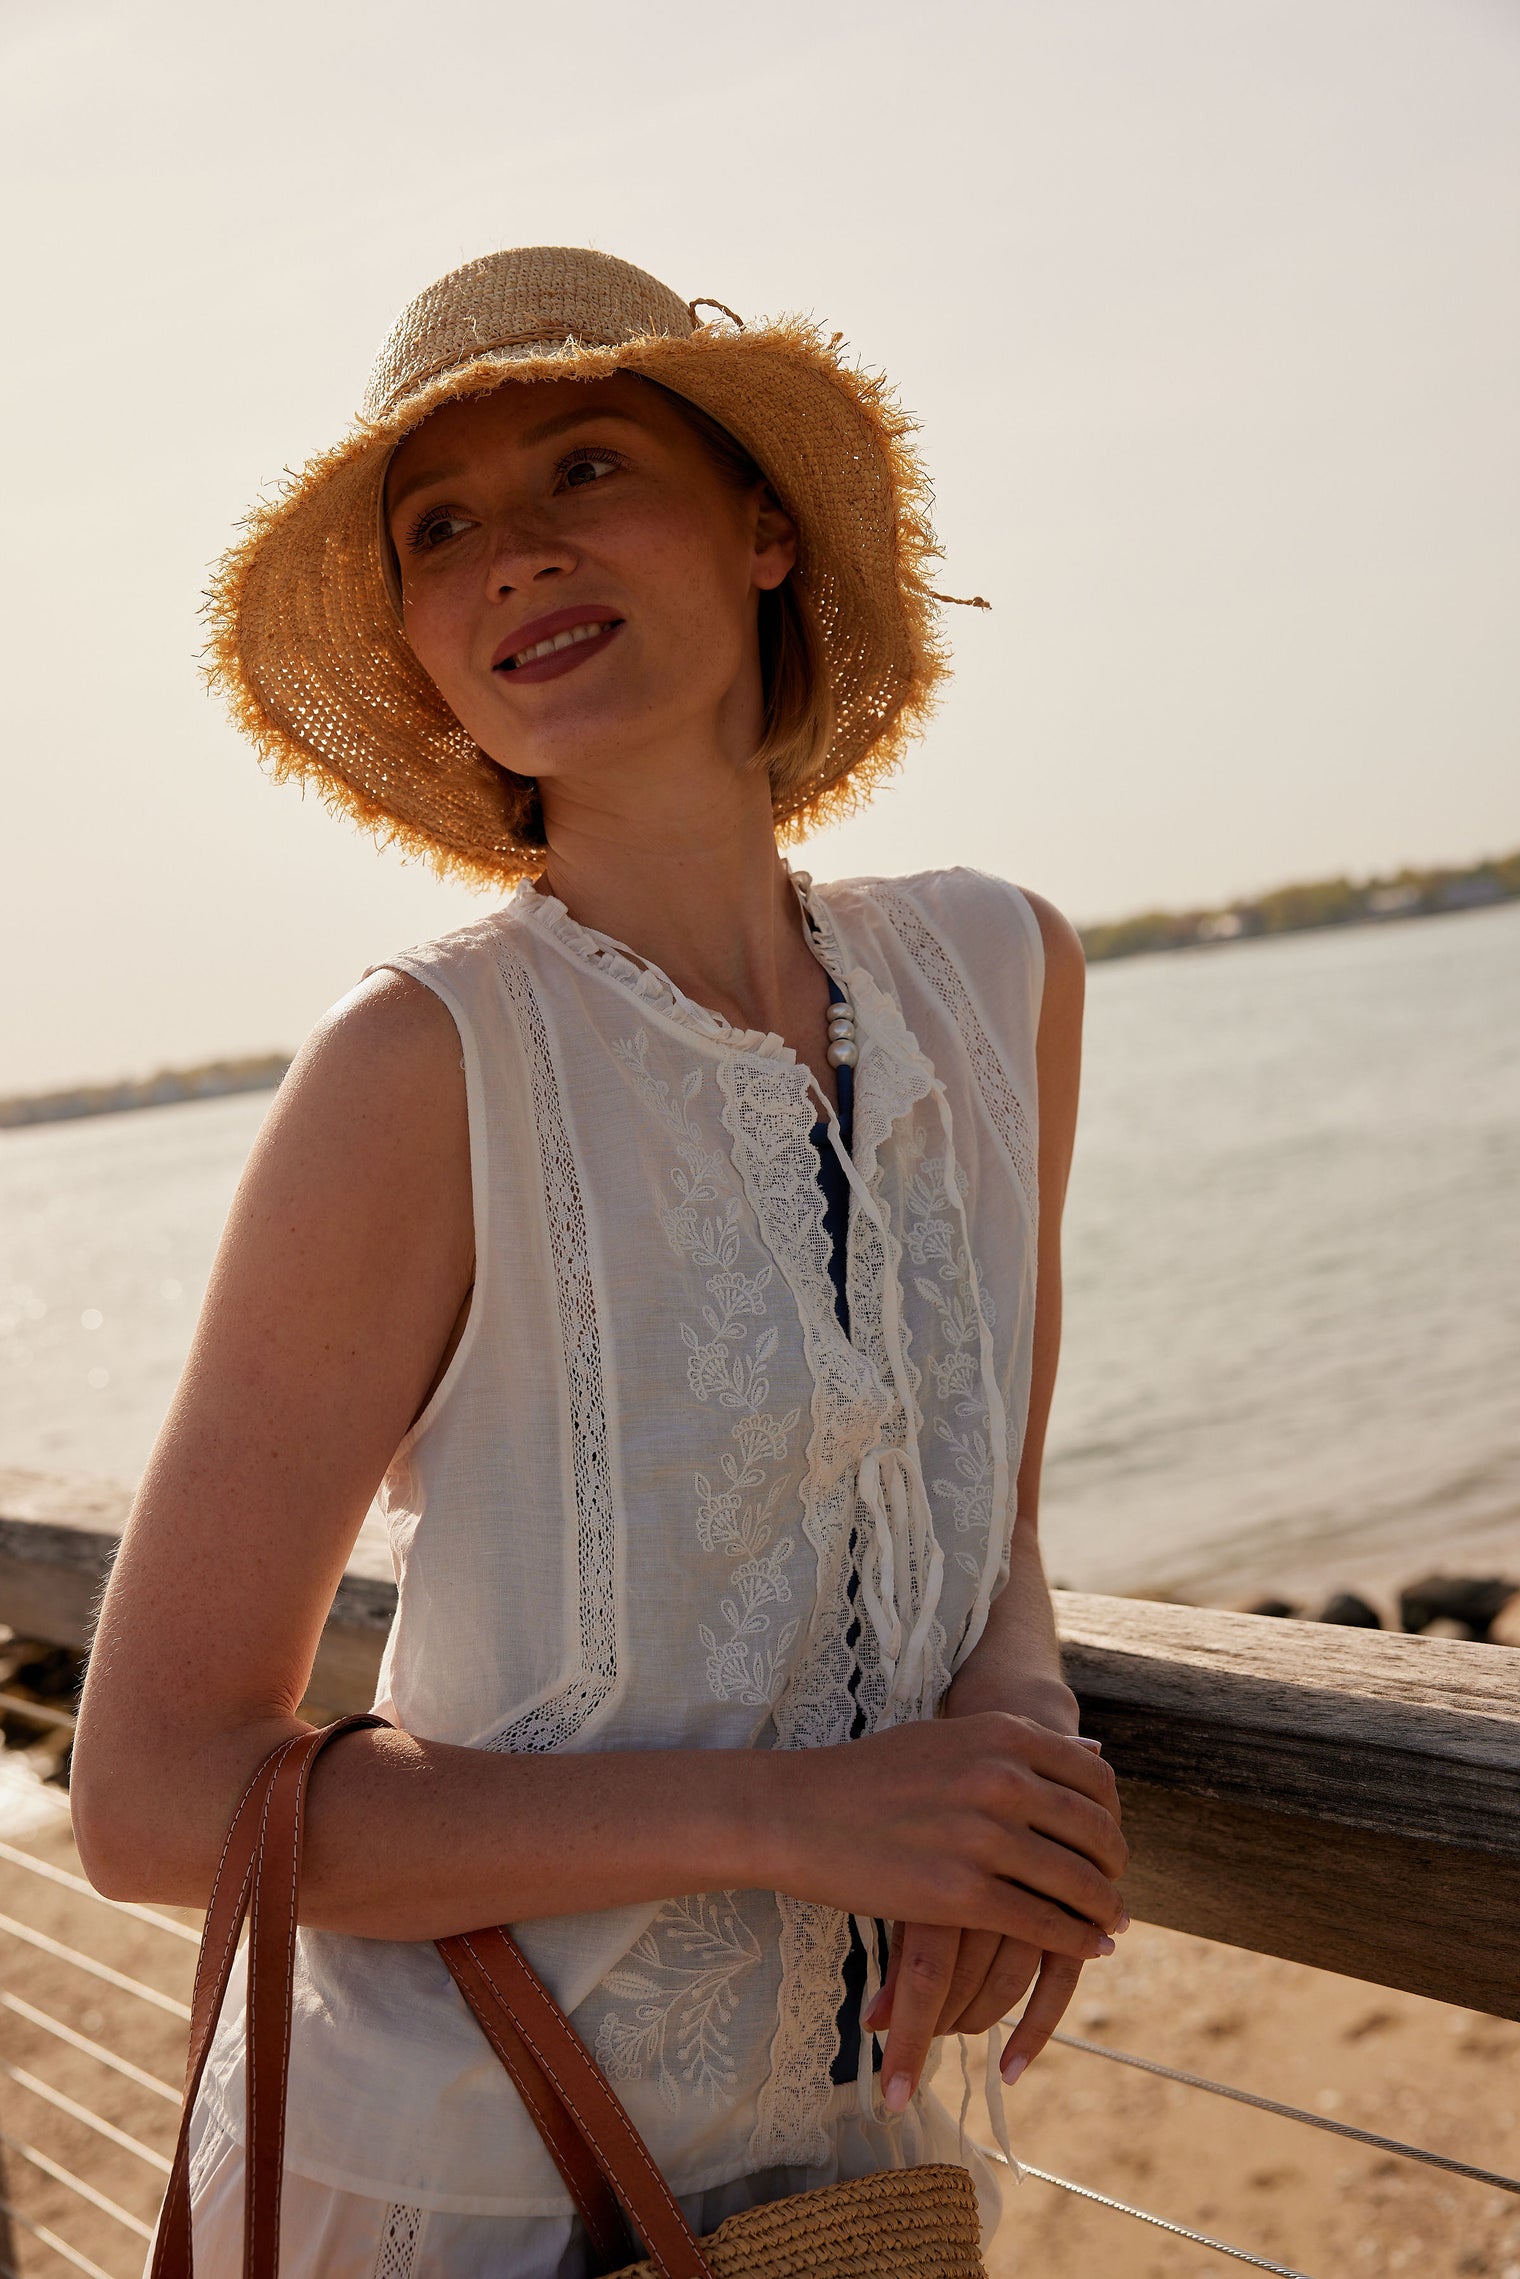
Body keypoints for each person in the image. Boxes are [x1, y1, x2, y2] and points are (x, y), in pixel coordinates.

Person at [72, 246, 1127, 2278]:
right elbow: (150, 1797)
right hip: (460, 2191)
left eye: (585, 465)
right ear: (422, 641)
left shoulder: (1002, 974)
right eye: (440, 526)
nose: (515, 556)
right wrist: (797, 1821)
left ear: (760, 527)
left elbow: (990, 1509)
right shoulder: (421, 1066)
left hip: (848, 2180)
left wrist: (1020, 1735)